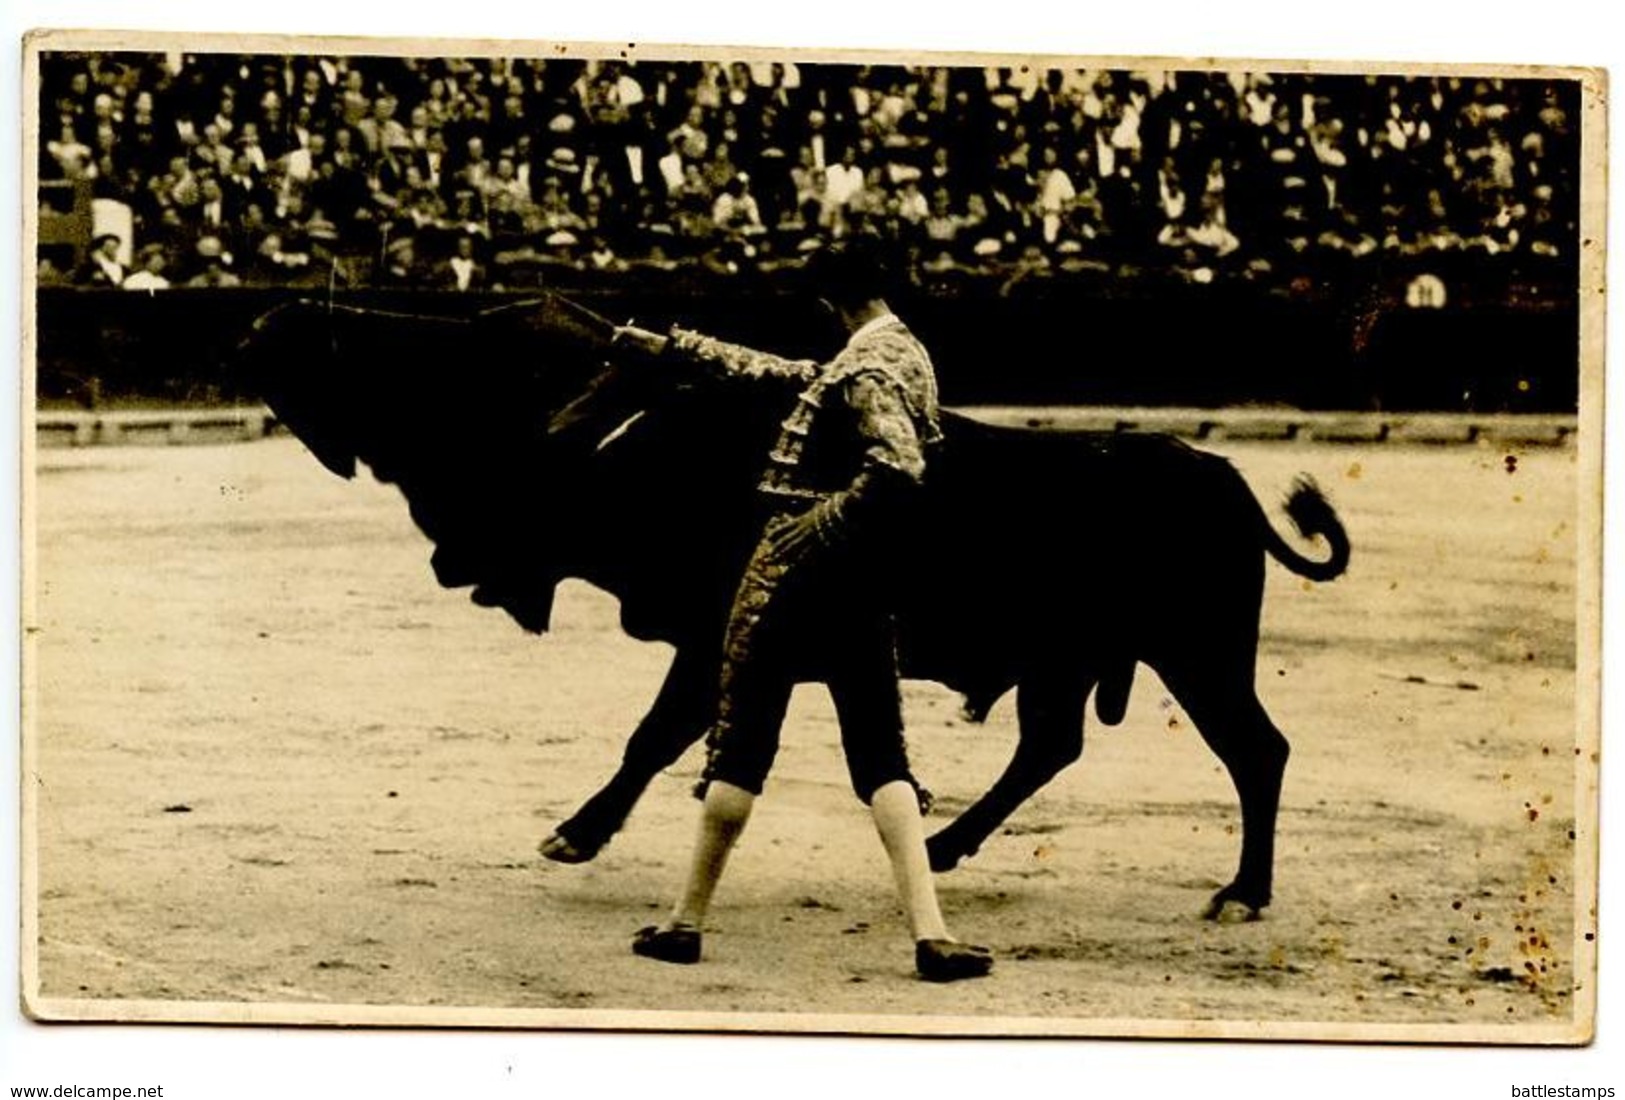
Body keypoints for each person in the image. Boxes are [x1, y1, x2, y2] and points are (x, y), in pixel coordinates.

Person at [611, 238, 993, 984]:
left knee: (744, 746)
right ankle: (929, 933)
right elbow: (789, 376)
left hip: (798, 578)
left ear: (832, 301)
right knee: (881, 755)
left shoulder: (870, 365)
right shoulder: (897, 348)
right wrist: (678, 348)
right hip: (862, 582)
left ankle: (686, 922)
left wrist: (814, 522)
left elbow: (898, 464)